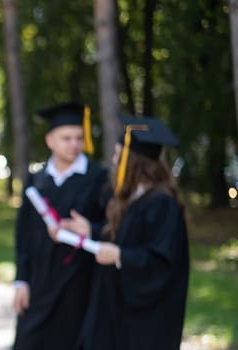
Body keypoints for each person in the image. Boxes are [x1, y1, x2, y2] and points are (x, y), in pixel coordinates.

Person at [62, 115, 188, 349]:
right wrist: (92, 230)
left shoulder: (162, 205)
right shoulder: (130, 197)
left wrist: (120, 257)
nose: (113, 159)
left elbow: (162, 263)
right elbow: (122, 239)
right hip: (113, 308)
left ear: (135, 162)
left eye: (119, 155)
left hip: (141, 323)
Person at [12, 102, 109, 349]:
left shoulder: (98, 178)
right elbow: (23, 234)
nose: (74, 144)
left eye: (78, 138)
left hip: (79, 285)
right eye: (66, 138)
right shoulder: (36, 180)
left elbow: (113, 227)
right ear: (50, 140)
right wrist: (21, 280)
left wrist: (91, 229)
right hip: (40, 283)